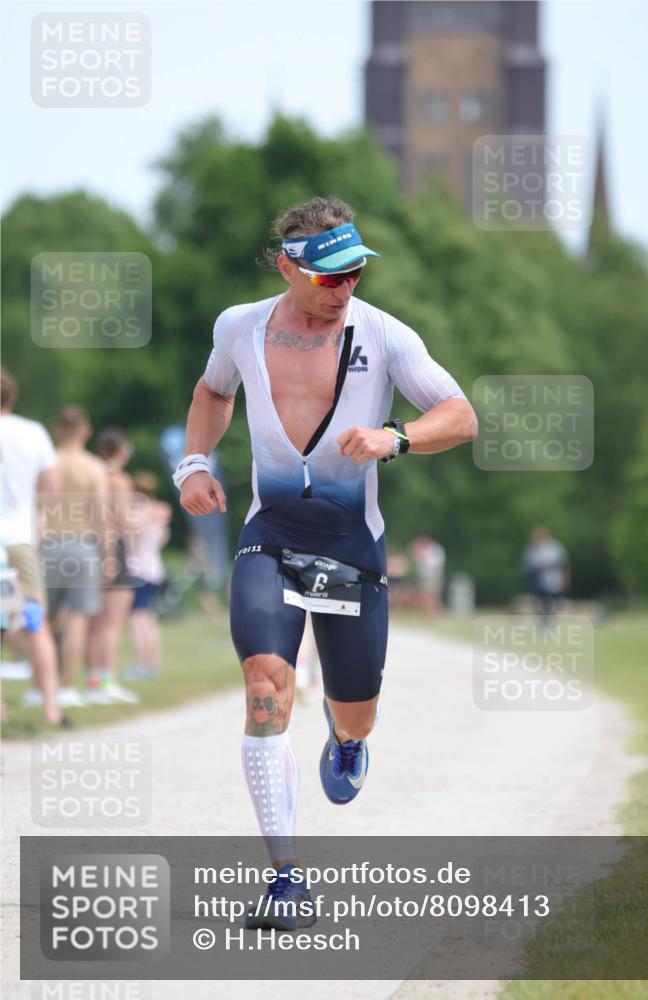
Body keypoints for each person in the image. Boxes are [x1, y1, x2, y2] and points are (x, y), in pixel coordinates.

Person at [173, 196, 477, 928]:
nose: (346, 288)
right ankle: (285, 879)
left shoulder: (385, 334)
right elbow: (213, 390)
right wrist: (192, 464)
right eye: (331, 276)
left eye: (356, 273)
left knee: (356, 711)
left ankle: (347, 740)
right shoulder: (240, 327)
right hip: (269, 533)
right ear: (289, 267)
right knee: (266, 682)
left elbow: (460, 414)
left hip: (350, 547)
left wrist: (396, 438)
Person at [0, 368, 64, 725]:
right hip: (21, 541)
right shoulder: (32, 432)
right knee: (34, 622)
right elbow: (51, 490)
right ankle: (51, 708)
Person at [42, 406, 109, 707]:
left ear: (57, 430)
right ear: (86, 432)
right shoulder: (94, 467)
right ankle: (68, 687)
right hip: (82, 544)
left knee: (43, 619)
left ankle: (40, 686)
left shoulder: (47, 462)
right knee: (78, 619)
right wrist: (108, 555)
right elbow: (101, 516)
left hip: (48, 543)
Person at [85, 428, 140, 704]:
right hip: (114, 548)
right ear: (122, 452)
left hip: (89, 547)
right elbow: (123, 522)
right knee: (112, 624)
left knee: (94, 623)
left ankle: (94, 682)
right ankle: (107, 682)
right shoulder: (119, 480)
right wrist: (149, 520)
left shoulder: (91, 474)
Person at [124, 472, 171, 680]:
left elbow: (132, 535)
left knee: (137, 620)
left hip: (138, 569)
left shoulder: (140, 510)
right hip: (154, 567)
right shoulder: (159, 511)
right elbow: (162, 539)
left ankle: (141, 665)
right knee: (149, 619)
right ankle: (152, 664)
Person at [522, 527, 570, 623]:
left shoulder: (556, 548)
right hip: (540, 581)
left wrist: (566, 580)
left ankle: (552, 621)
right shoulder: (533, 549)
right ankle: (544, 621)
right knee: (542, 602)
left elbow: (564, 565)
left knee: (556, 602)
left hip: (554, 580)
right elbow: (529, 567)